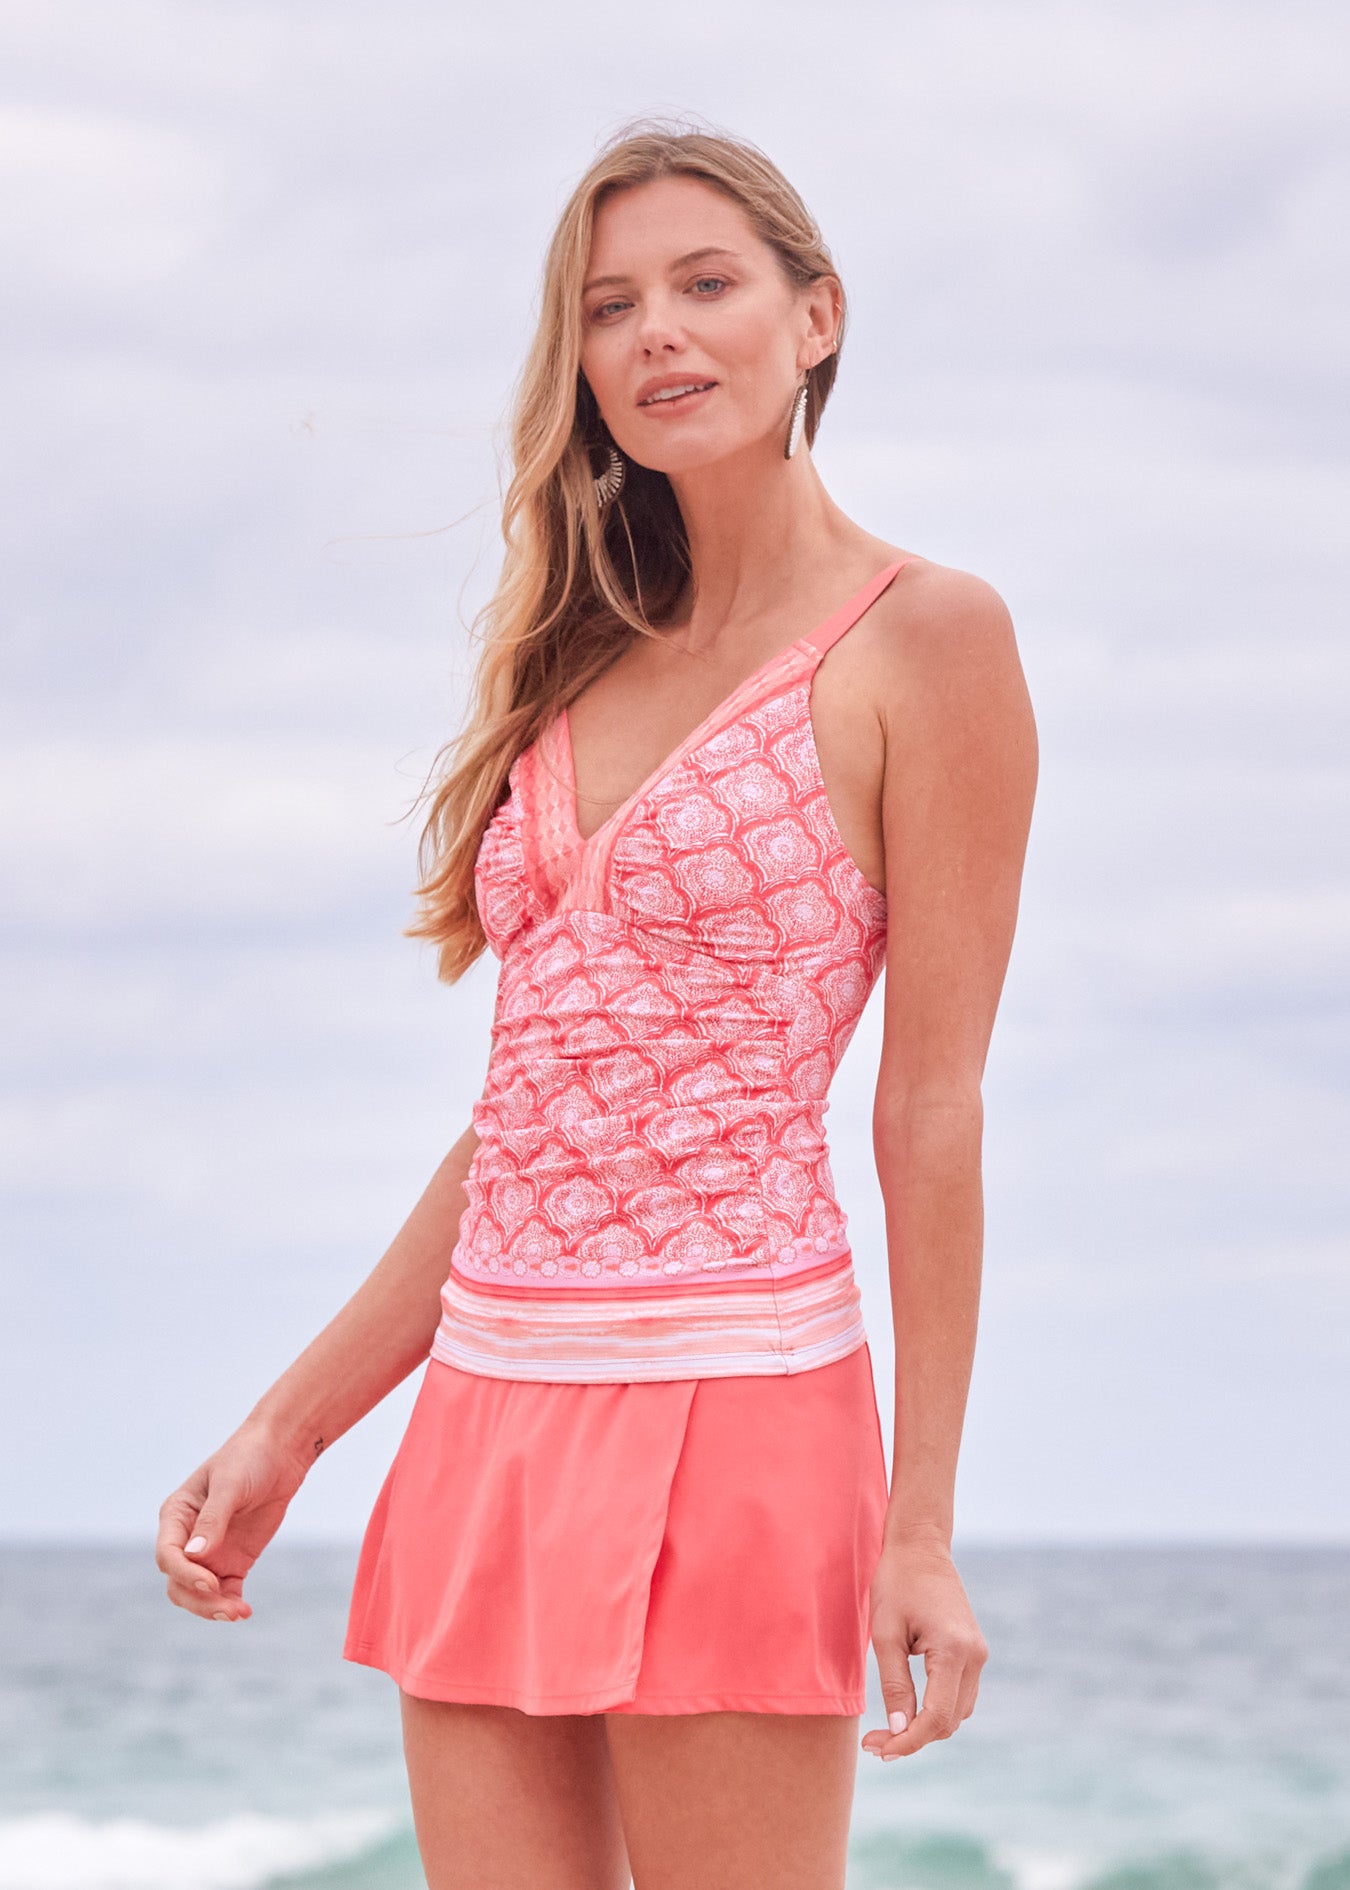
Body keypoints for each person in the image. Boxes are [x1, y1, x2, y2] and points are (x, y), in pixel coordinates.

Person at [157, 121, 1038, 1890]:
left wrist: (918, 1524)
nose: (655, 335)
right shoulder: (577, 659)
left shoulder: (925, 638)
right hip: (489, 1399)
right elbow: (531, 1113)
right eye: (608, 304)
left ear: (816, 319)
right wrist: (291, 1422)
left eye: (705, 284)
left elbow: (926, 1105)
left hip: (741, 1395)